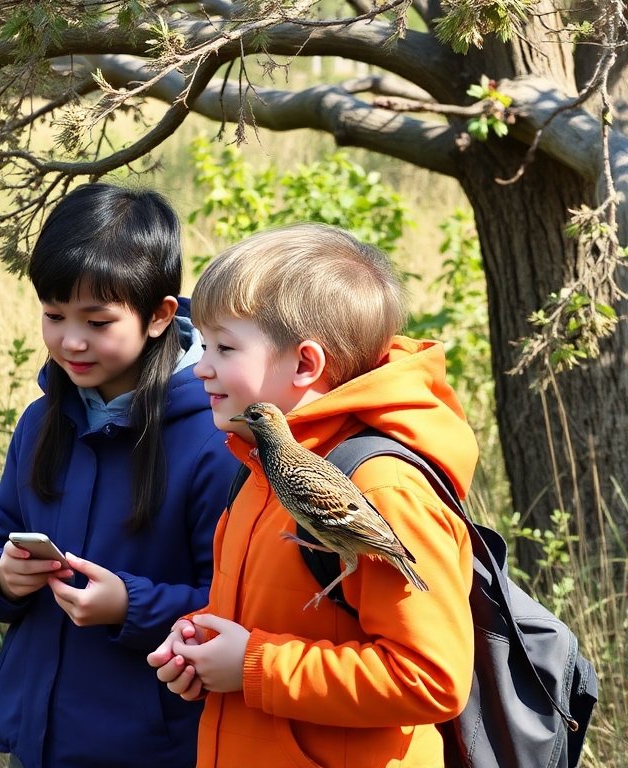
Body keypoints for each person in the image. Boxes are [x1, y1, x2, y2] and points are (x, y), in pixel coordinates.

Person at [146, 222, 478, 767]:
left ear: (305, 364)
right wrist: (202, 644)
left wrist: (253, 664)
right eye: (203, 345)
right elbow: (274, 613)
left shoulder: (384, 486)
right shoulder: (255, 469)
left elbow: (431, 679)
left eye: (224, 347)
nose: (201, 366)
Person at [0, 183, 239, 767]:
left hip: (148, 747)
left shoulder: (215, 443)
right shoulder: (41, 423)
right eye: (53, 315)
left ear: (161, 316)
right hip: (34, 738)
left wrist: (130, 606)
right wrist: (4, 577)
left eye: (97, 321)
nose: (71, 340)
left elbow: (236, 605)